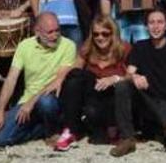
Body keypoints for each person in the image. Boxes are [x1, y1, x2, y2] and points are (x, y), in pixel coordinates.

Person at [114, 8, 166, 156]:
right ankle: (127, 138)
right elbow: (128, 74)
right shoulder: (140, 47)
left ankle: (159, 129)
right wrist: (134, 77)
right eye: (151, 23)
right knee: (122, 86)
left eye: (160, 22)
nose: (156, 27)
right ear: (146, 26)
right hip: (148, 100)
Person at [0, 12, 76, 147]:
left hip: (52, 99)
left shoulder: (68, 46)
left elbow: (57, 81)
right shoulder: (24, 46)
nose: (55, 36)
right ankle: (41, 129)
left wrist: (32, 101)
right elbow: (11, 80)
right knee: (0, 139)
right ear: (37, 31)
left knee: (46, 102)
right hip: (27, 102)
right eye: (50, 32)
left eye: (57, 31)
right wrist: (0, 111)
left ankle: (52, 131)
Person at [55, 16, 130, 151]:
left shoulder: (124, 48)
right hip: (92, 95)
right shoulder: (88, 48)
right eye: (96, 34)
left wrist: (114, 78)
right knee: (75, 76)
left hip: (112, 97)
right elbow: (75, 68)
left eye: (105, 34)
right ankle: (70, 130)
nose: (100, 38)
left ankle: (111, 128)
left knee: (99, 140)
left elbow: (132, 76)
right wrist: (60, 79)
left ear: (113, 34)